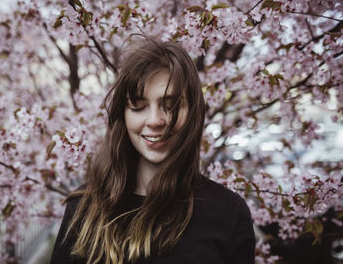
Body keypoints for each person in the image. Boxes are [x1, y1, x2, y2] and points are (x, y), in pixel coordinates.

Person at [50, 39, 255, 264]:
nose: (155, 120)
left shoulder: (228, 213)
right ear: (123, 115)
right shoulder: (84, 208)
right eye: (138, 105)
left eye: (172, 105)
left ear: (193, 112)